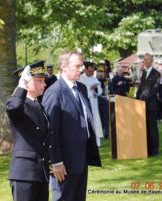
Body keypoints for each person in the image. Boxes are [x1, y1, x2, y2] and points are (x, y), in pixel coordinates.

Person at [42, 51, 101, 201]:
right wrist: (55, 161)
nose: (81, 69)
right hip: (64, 163)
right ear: (64, 67)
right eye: (77, 66)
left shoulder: (80, 88)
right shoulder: (54, 92)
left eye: (82, 65)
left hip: (81, 158)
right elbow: (50, 131)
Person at [6, 61, 50, 201]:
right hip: (25, 173)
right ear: (27, 82)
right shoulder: (18, 104)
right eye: (39, 80)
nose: (44, 84)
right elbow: (13, 107)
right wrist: (22, 84)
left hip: (41, 172)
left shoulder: (38, 105)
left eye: (44, 80)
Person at [136, 53, 160, 157]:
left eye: (147, 60)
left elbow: (154, 90)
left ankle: (154, 150)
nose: (145, 62)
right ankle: (147, 149)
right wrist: (136, 100)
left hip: (151, 106)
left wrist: (143, 101)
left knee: (152, 128)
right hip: (141, 106)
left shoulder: (156, 74)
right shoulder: (144, 73)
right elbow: (140, 88)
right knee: (144, 128)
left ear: (151, 61)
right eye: (144, 60)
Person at [79, 61, 104, 146]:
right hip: (85, 102)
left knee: (95, 121)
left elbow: (100, 92)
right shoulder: (80, 78)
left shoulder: (95, 79)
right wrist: (90, 88)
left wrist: (96, 89)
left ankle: (97, 141)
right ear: (85, 70)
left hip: (94, 101)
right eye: (89, 71)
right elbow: (81, 91)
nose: (91, 73)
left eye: (92, 71)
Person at [96, 62, 109, 138]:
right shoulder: (95, 80)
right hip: (97, 99)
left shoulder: (106, 81)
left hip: (105, 98)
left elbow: (109, 90)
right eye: (99, 72)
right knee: (99, 117)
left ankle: (106, 133)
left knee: (105, 117)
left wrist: (107, 86)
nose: (101, 74)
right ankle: (99, 133)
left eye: (102, 72)